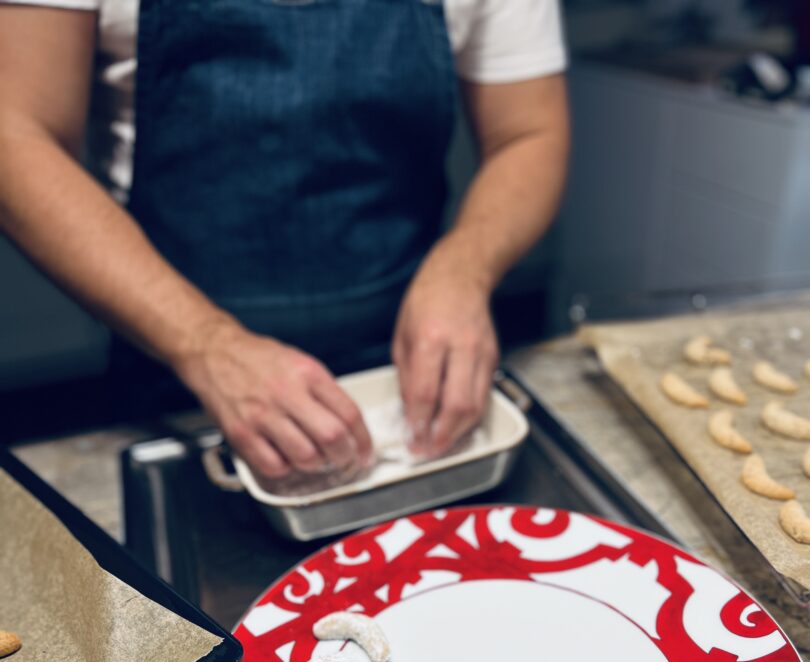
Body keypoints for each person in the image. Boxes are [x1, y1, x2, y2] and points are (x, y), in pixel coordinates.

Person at [0, 1, 569, 480]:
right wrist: (205, 342)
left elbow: (528, 130)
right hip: (170, 370)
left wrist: (464, 269)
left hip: (410, 360)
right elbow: (15, 133)